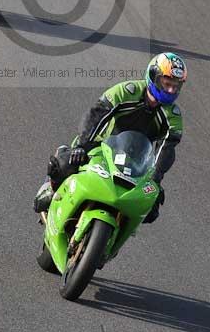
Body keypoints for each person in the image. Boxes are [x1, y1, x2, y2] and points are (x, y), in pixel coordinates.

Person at [33, 52, 188, 224]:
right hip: (99, 145)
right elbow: (96, 114)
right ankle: (52, 190)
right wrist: (83, 145)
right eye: (167, 84)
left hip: (137, 163)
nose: (171, 90)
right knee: (63, 164)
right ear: (154, 77)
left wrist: (156, 177)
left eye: (176, 86)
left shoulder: (173, 116)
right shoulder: (126, 91)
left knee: (152, 208)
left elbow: (167, 148)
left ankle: (113, 238)